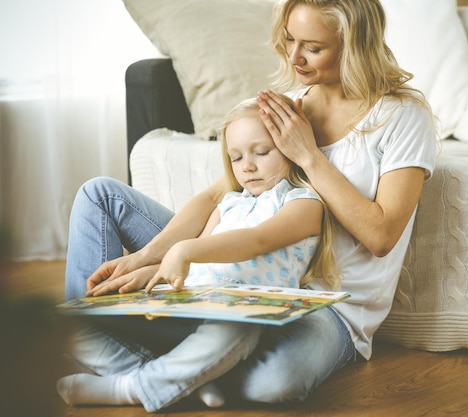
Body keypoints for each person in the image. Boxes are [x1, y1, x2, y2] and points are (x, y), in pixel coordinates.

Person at [59, 0, 437, 410]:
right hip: (236, 267)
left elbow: (381, 236)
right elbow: (215, 197)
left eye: (313, 47)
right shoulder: (289, 105)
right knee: (99, 195)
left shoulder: (402, 116)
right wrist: (148, 257)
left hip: (329, 307)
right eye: (290, 40)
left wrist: (308, 155)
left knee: (271, 385)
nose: (294, 57)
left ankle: (141, 365)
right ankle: (153, 364)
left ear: (355, 44)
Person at [57, 96, 339, 411]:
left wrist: (185, 249)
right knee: (72, 326)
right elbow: (192, 262)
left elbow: (257, 240)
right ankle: (187, 382)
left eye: (261, 152)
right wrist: (144, 272)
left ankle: (130, 387)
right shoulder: (229, 203)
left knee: (237, 327)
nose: (247, 166)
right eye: (236, 158)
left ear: (290, 148)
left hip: (237, 315)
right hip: (188, 303)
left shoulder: (304, 203)